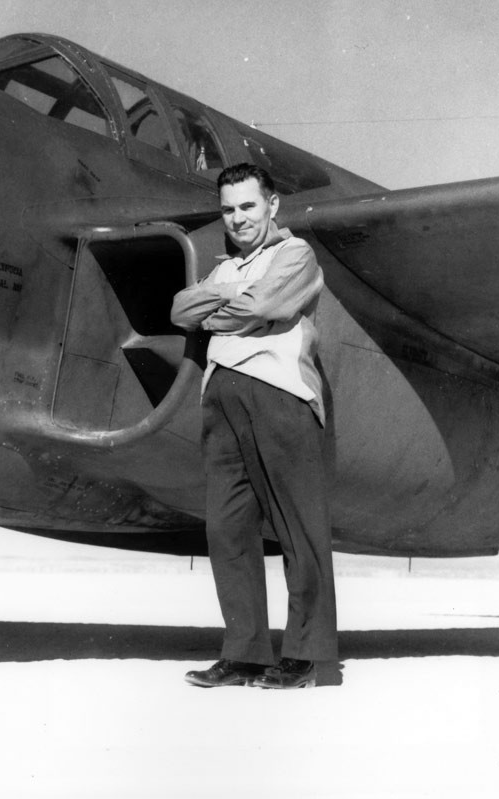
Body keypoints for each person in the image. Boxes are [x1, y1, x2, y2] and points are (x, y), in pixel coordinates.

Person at [170, 163, 337, 689]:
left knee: (298, 529)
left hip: (280, 393)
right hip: (220, 399)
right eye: (228, 209)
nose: (238, 218)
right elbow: (180, 310)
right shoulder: (225, 268)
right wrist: (237, 300)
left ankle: (306, 658)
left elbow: (264, 303)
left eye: (247, 206)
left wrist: (224, 305)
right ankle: (244, 654)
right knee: (227, 529)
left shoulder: (295, 254)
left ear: (272, 205)